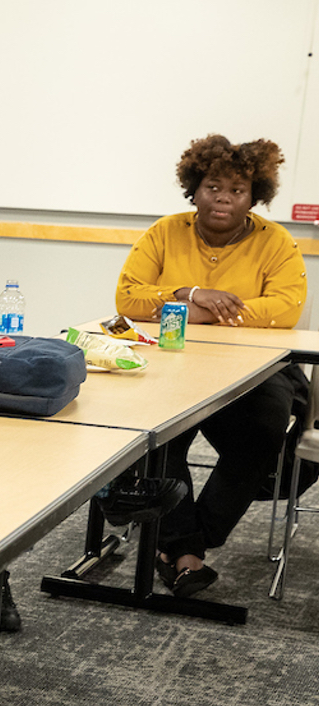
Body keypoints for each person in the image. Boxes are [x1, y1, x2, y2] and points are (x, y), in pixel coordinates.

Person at [116, 134, 308, 597]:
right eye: (212, 187)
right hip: (174, 364)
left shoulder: (275, 241)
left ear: (254, 197)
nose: (223, 198)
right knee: (161, 435)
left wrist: (205, 311)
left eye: (236, 191)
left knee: (264, 434)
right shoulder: (165, 232)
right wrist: (188, 294)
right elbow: (127, 298)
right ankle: (186, 556)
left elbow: (286, 308)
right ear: (193, 189)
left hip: (257, 370)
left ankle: (187, 542)